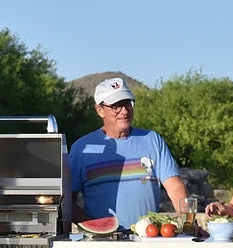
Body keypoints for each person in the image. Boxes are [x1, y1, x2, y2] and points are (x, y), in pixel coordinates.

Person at [68, 78, 188, 230]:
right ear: (100, 110)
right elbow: (68, 203)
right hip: (101, 245)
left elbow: (175, 187)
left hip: (149, 239)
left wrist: (188, 222)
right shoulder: (81, 148)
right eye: (116, 106)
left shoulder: (153, 140)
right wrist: (96, 228)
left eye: (127, 104)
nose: (124, 111)